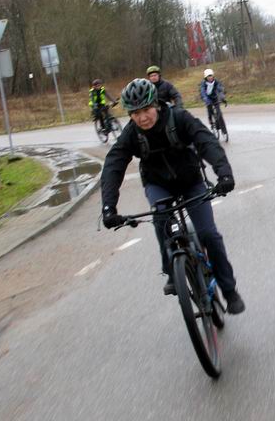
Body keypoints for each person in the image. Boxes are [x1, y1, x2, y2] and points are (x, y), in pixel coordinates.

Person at [100, 78, 245, 314]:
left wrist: (224, 174)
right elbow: (113, 166)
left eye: (146, 109)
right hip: (158, 184)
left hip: (191, 182)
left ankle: (229, 291)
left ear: (155, 104)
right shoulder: (131, 134)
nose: (142, 118)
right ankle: (171, 270)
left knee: (208, 233)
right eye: (134, 113)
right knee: (161, 218)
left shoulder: (179, 118)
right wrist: (109, 207)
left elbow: (206, 141)